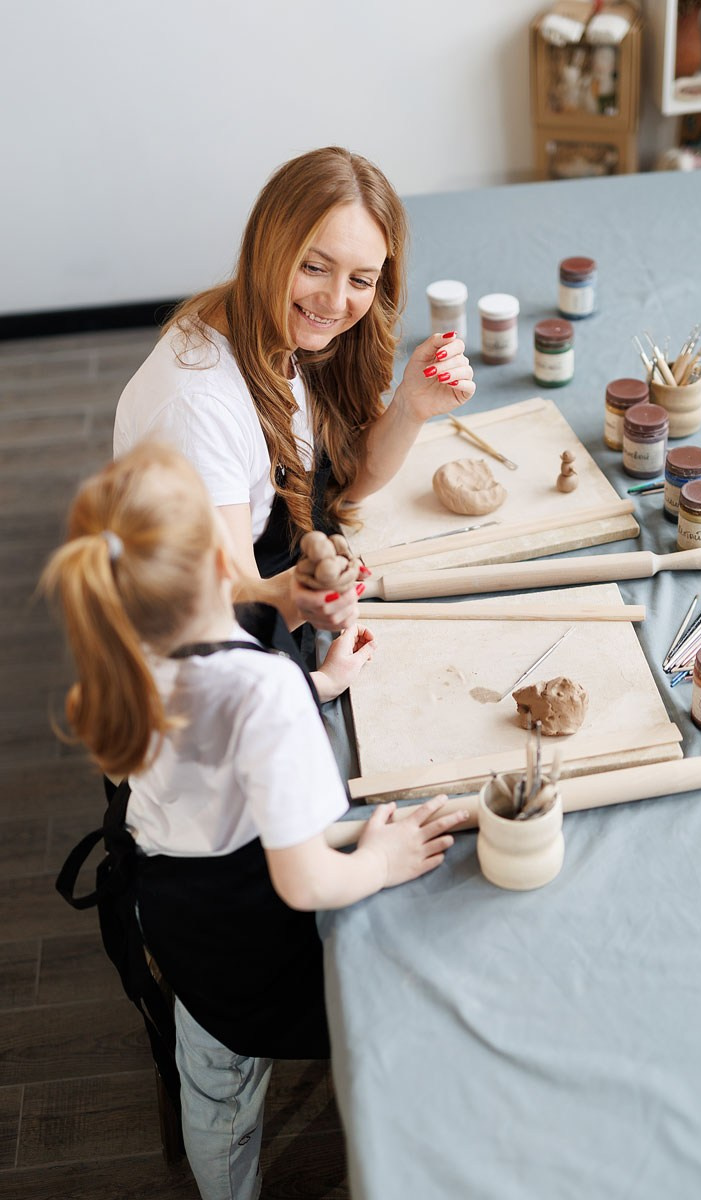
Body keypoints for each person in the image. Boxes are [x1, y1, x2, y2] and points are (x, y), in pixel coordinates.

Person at [43, 441, 467, 1200]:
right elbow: (306, 881)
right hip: (246, 925)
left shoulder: (120, 647)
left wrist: (324, 682)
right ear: (219, 564)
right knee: (259, 1069)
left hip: (170, 904)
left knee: (212, 1084)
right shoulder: (261, 688)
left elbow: (207, 713)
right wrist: (384, 859)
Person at [114, 145, 475, 639]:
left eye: (361, 280)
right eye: (313, 267)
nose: (335, 301)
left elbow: (340, 486)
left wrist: (410, 407)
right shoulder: (198, 409)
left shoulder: (289, 336)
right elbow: (226, 615)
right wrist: (312, 623)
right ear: (269, 244)